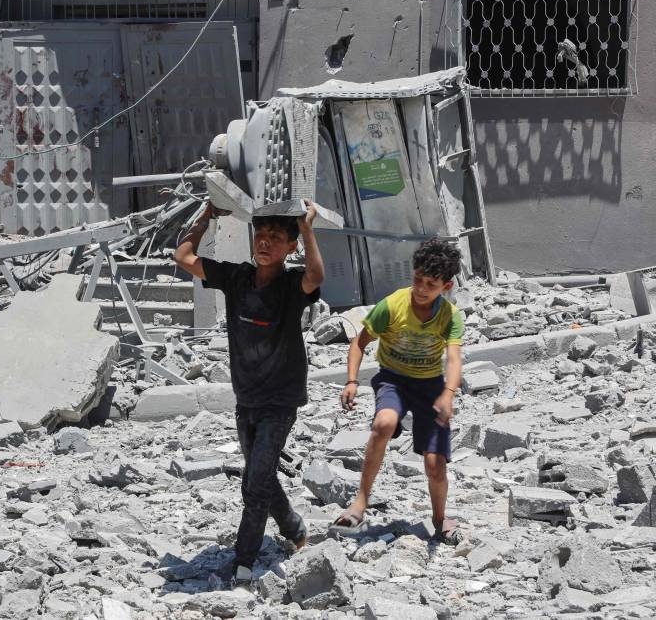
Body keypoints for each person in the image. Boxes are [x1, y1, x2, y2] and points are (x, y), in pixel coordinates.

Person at [174, 199, 324, 584]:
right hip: (247, 400)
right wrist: (207, 215)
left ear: (290, 247)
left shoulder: (292, 285)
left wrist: (306, 227)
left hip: (281, 400)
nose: (265, 242)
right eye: (261, 234)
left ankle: (244, 561)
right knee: (262, 476)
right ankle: (295, 530)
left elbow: (316, 276)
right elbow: (184, 255)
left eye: (276, 237)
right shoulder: (236, 277)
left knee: (254, 482)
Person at [334, 238, 464, 543]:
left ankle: (439, 518)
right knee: (384, 424)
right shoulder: (392, 305)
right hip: (393, 379)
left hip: (430, 386)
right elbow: (359, 343)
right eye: (417, 279)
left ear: (446, 286)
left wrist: (448, 394)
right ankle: (360, 501)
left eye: (430, 284)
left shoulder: (449, 316)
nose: (420, 288)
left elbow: (455, 358)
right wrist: (352, 380)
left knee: (435, 464)